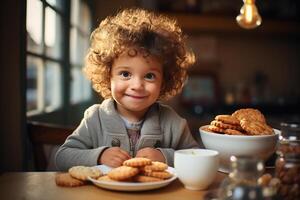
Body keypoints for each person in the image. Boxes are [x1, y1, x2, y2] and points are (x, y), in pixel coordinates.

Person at [55, 8, 199, 171]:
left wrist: (166, 156)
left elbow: (198, 156)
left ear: (164, 81)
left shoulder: (174, 123)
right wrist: (99, 155)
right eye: (125, 73)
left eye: (150, 76)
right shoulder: (95, 118)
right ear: (107, 75)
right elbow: (62, 157)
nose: (137, 85)